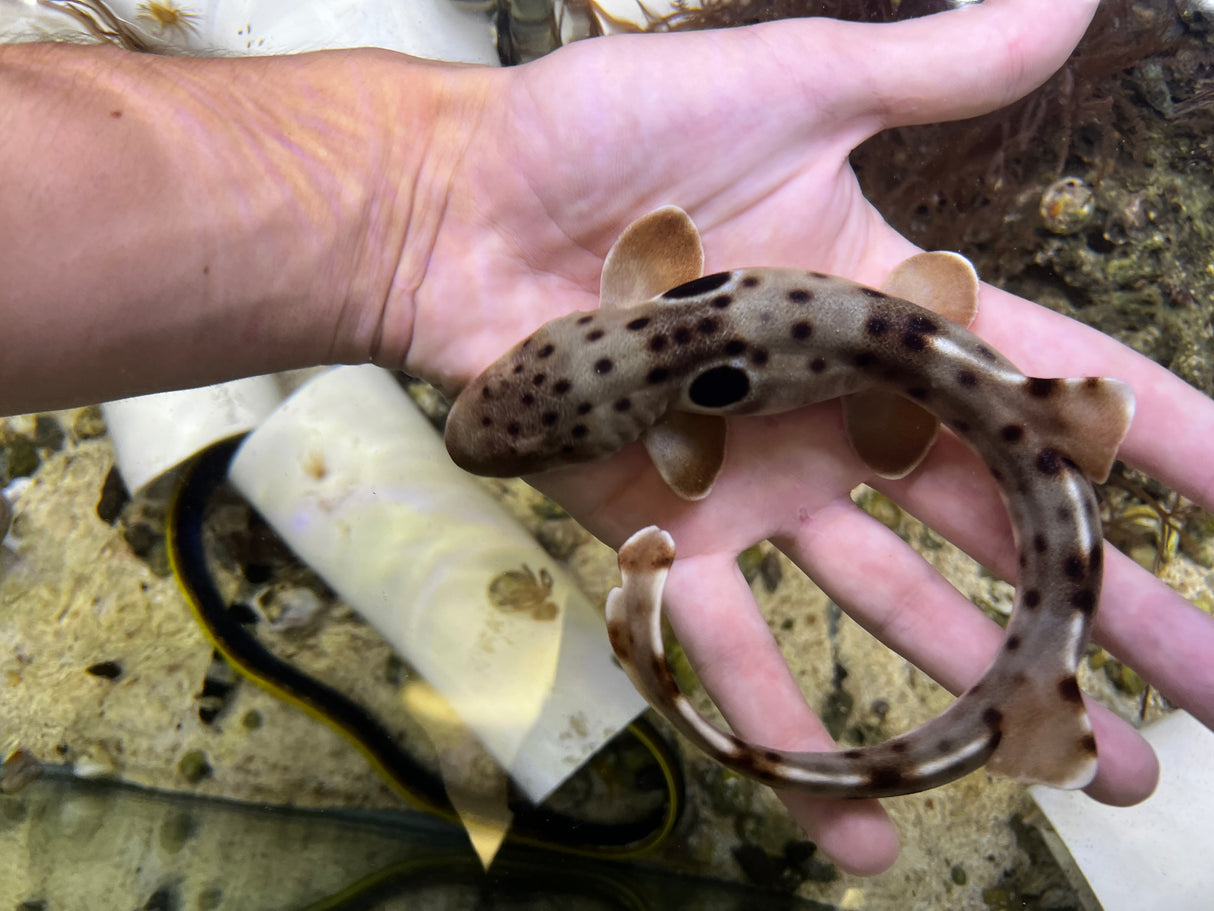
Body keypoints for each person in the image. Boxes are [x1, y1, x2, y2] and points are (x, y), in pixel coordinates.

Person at [2, 0, 1211, 876]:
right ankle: (1020, 653)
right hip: (923, 357)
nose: (471, 409)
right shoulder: (642, 280)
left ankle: (1029, 664)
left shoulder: (674, 414)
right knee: (967, 427)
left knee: (1008, 489)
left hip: (936, 376)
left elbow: (688, 451)